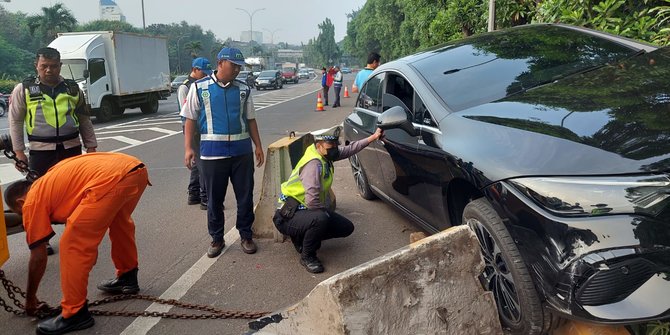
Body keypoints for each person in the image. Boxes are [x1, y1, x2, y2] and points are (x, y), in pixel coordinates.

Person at [3, 152, 150, 335]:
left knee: (72, 244)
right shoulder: (50, 183)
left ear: (20, 202)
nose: (24, 217)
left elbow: (38, 256)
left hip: (110, 179)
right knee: (120, 223)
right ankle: (128, 276)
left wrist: (30, 298)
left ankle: (75, 313)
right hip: (134, 169)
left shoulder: (31, 200)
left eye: (20, 213)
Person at [9, 46, 98, 256]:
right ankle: (43, 238)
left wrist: (91, 146)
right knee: (38, 197)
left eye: (54, 66)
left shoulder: (72, 88)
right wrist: (19, 151)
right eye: (44, 66)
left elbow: (84, 118)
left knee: (74, 194)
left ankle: (73, 232)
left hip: (71, 148)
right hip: (41, 152)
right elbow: (15, 121)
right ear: (36, 66)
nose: (49, 70)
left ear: (60, 66)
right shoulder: (24, 89)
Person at [181, 47, 264, 258]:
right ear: (220, 63)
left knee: (244, 197)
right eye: (233, 65)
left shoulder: (244, 89)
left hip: (241, 153)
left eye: (239, 67)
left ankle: (246, 235)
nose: (237, 70)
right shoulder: (199, 88)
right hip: (211, 154)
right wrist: (189, 148)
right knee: (214, 199)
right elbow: (190, 118)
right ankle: (217, 238)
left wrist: (258, 146)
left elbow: (251, 119)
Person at [272, 125, 383, 273]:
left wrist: (373, 137)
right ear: (319, 146)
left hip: (303, 212)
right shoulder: (313, 164)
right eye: (330, 145)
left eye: (335, 144)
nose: (335, 148)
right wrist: (323, 220)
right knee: (320, 219)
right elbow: (312, 202)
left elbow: (350, 149)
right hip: (287, 216)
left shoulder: (325, 154)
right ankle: (307, 256)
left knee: (346, 227)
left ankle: (304, 238)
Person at [178, 57, 212, 210]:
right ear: (195, 69)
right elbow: (187, 114)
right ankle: (205, 198)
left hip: (202, 129)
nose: (206, 76)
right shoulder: (185, 87)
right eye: (203, 73)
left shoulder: (203, 84)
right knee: (202, 163)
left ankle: (194, 194)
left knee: (198, 163)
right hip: (193, 129)